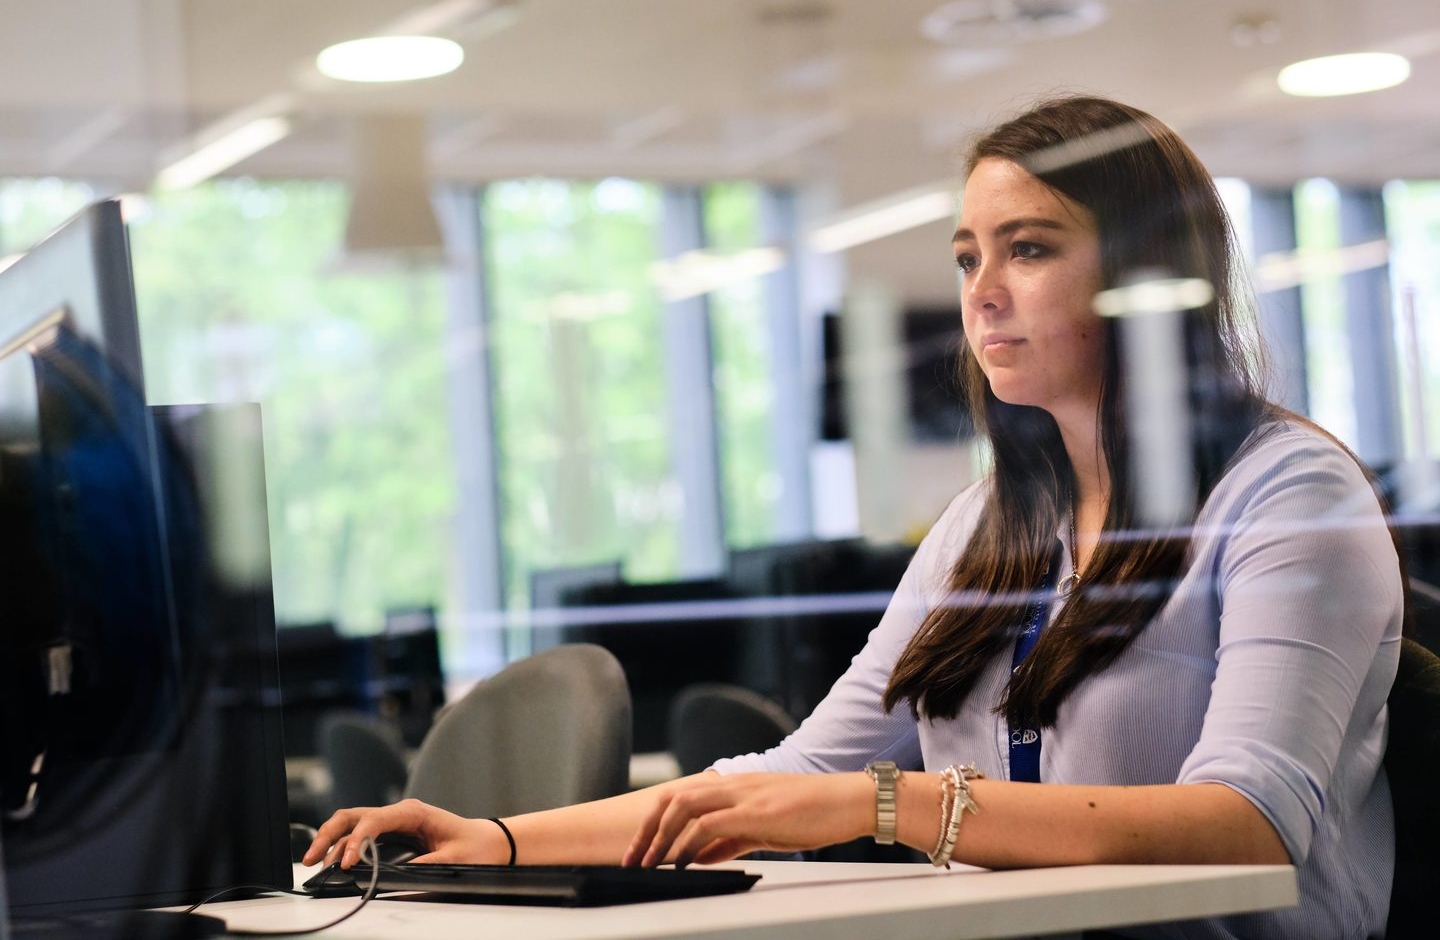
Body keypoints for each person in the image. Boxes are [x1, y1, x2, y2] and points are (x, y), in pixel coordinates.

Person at [305, 96, 1403, 939]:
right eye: (970, 255)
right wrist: (491, 840)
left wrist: (895, 804)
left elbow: (1247, 823)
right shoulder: (991, 527)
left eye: (1029, 249)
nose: (982, 293)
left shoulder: (1288, 495)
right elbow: (802, 772)